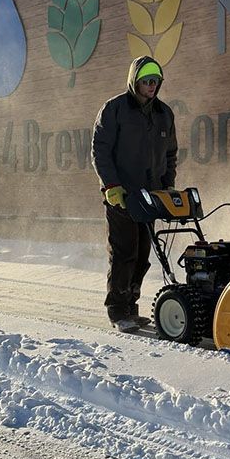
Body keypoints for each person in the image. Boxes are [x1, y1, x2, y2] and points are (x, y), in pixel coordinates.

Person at [91, 56, 178, 332]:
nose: (151, 86)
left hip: (150, 197)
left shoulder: (164, 113)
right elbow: (100, 150)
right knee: (124, 252)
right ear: (134, 81)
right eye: (146, 81)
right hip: (122, 195)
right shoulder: (115, 109)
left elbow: (170, 154)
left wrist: (168, 186)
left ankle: (131, 306)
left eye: (155, 81)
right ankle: (117, 310)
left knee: (142, 256)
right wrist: (111, 185)